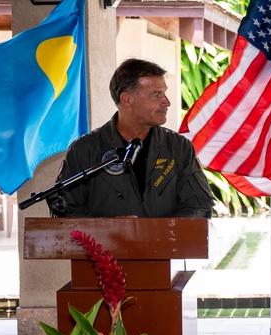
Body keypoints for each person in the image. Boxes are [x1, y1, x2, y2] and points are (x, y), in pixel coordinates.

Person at [57, 58, 214, 218]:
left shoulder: (179, 147)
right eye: (156, 95)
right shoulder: (84, 149)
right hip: (102, 244)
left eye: (164, 93)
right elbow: (65, 212)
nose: (166, 102)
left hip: (165, 243)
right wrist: (111, 229)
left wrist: (158, 233)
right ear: (127, 99)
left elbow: (200, 206)